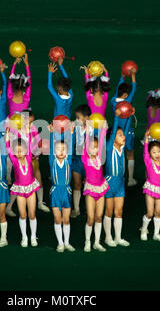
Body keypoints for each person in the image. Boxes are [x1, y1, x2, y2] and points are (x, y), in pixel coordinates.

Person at [5, 119, 40, 247]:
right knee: (23, 214)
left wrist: (27, 132)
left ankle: (33, 236)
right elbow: (8, 148)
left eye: (21, 150)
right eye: (17, 151)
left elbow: (30, 143)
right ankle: (24, 237)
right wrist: (7, 136)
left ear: (26, 150)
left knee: (32, 214)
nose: (19, 153)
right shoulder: (14, 160)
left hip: (30, 188)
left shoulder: (29, 156)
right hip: (20, 190)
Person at [103, 109, 132, 247]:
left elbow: (125, 132)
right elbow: (114, 132)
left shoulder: (122, 147)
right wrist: (116, 118)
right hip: (109, 182)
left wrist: (130, 117)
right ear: (113, 138)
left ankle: (118, 237)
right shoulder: (109, 147)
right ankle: (108, 237)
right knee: (109, 211)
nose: (123, 137)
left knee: (118, 211)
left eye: (123, 135)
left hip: (120, 182)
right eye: (119, 135)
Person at [139, 126, 160, 241]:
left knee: (158, 212)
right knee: (150, 212)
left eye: (158, 151)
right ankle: (144, 230)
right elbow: (145, 151)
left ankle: (156, 234)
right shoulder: (148, 160)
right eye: (154, 152)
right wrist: (147, 138)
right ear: (149, 153)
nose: (157, 154)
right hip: (150, 188)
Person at [47, 123, 76, 252]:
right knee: (57, 219)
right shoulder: (52, 160)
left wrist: (71, 132)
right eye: (58, 149)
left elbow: (70, 147)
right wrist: (52, 133)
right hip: (55, 192)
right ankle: (60, 243)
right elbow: (52, 147)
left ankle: (67, 242)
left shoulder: (68, 160)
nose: (61, 151)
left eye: (64, 149)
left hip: (66, 192)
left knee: (66, 219)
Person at [82, 119, 109, 252]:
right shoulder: (85, 158)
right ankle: (87, 242)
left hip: (101, 188)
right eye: (92, 147)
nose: (94, 149)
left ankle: (97, 242)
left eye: (96, 147)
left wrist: (103, 128)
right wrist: (88, 129)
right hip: (91, 190)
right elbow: (87, 142)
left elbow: (102, 139)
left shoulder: (99, 156)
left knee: (99, 216)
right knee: (91, 217)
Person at [111, 69, 137, 186]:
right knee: (129, 154)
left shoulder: (113, 101)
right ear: (126, 95)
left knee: (118, 154)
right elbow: (134, 89)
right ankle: (130, 179)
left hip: (116, 133)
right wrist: (133, 76)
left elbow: (118, 90)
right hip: (128, 131)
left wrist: (122, 77)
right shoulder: (128, 101)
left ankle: (119, 177)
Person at [70, 104, 91, 218]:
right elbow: (71, 142)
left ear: (86, 117)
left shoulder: (93, 128)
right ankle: (76, 209)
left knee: (88, 185)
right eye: (76, 117)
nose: (76, 120)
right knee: (77, 184)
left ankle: (89, 208)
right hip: (77, 161)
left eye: (78, 117)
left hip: (88, 163)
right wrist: (72, 132)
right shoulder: (75, 128)